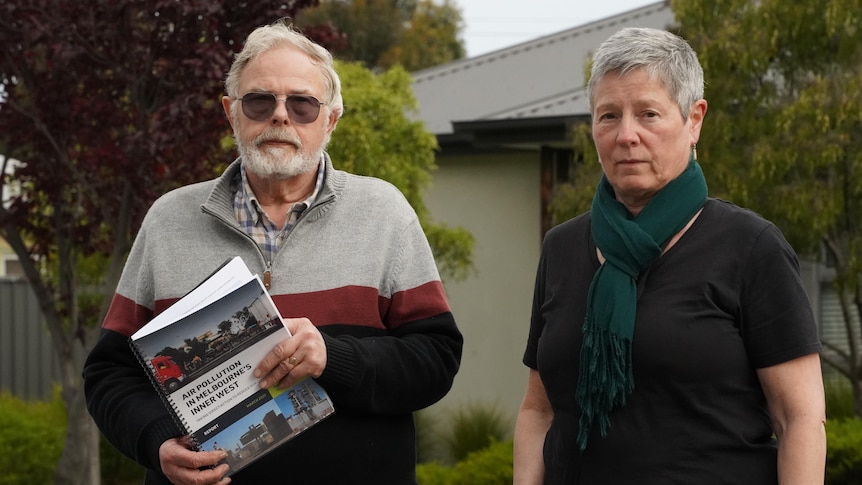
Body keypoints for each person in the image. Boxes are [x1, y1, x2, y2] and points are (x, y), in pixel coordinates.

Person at [83, 20, 462, 485]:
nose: (281, 116)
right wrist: (156, 441)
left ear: (331, 120)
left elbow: (437, 359)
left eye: (302, 103)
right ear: (231, 112)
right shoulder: (168, 221)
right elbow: (109, 373)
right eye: (260, 101)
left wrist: (333, 358)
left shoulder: (384, 213)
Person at [513, 27, 826, 484]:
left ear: (694, 119)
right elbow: (538, 410)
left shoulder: (750, 246)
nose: (626, 135)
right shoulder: (561, 248)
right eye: (608, 116)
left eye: (648, 114)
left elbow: (798, 417)